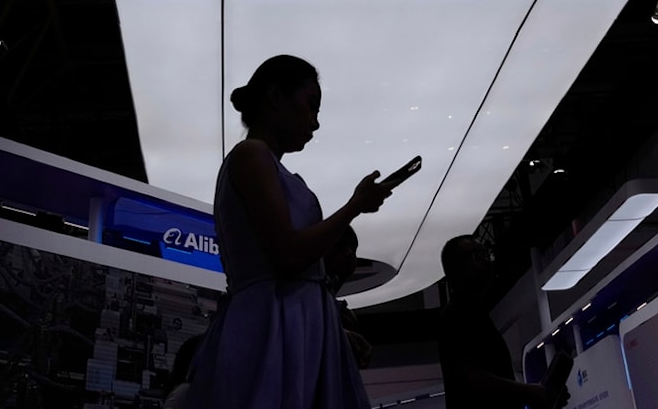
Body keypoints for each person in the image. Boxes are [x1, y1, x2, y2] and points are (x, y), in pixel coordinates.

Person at [183, 55, 410, 409]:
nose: (315, 123)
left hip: (287, 322)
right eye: (311, 106)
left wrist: (335, 331)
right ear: (276, 95)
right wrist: (354, 206)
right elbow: (288, 256)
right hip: (272, 323)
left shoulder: (268, 165)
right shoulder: (251, 155)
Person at [438, 234, 570, 409]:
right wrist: (531, 392)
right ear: (454, 271)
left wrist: (534, 396)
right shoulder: (457, 314)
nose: (486, 262)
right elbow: (470, 378)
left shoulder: (472, 315)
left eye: (487, 254)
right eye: (475, 256)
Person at [324, 224, 372, 369]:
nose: (350, 253)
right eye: (340, 247)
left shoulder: (344, 314)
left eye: (353, 249)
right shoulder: (310, 307)